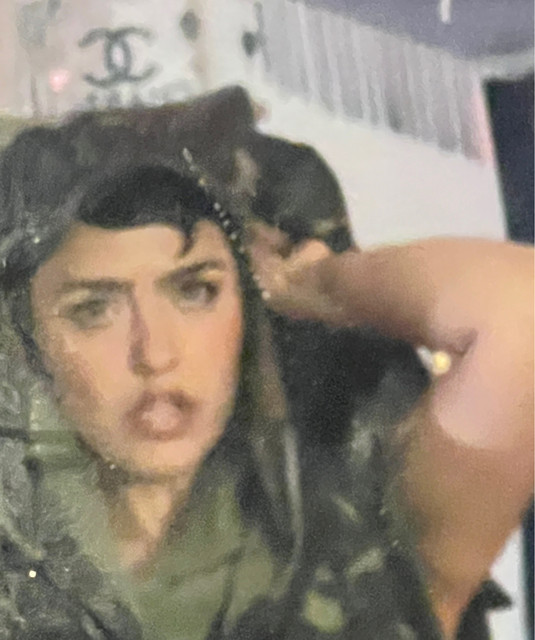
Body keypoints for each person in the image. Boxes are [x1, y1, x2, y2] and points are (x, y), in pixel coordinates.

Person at [0, 96, 532, 640]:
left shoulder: (358, 531)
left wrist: (320, 287)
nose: (155, 354)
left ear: (248, 309)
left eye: (196, 291)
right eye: (93, 309)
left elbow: (520, 312)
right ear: (28, 341)